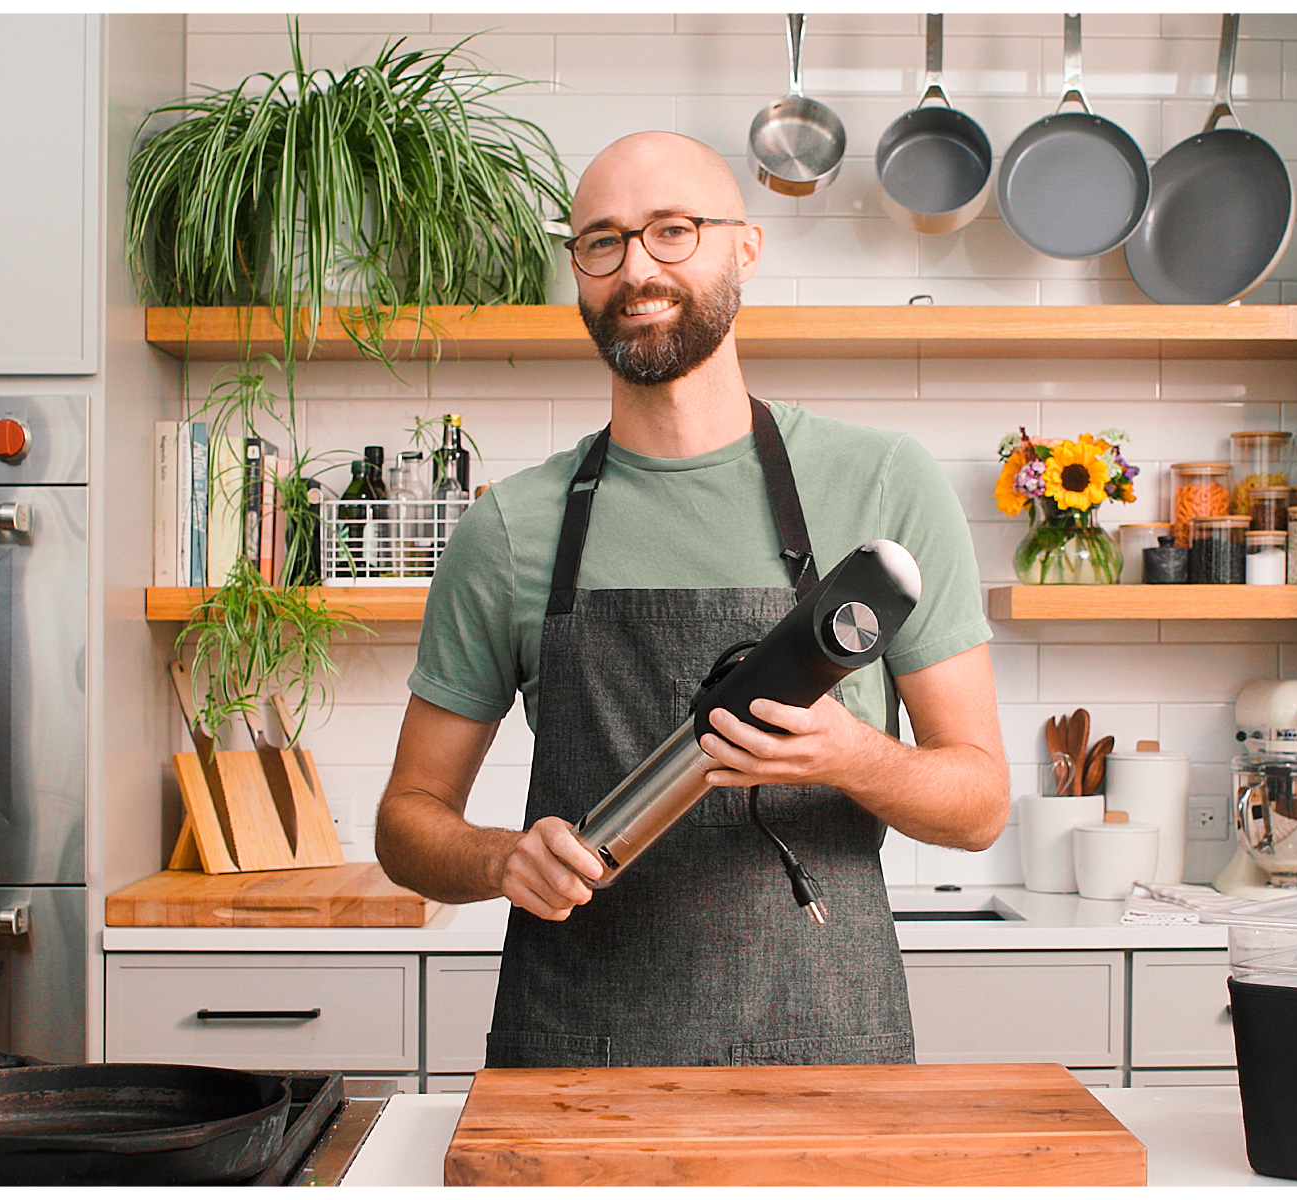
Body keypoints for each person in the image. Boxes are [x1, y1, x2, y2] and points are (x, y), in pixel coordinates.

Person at [376, 131, 1010, 1069]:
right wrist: (501, 857)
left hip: (828, 1048)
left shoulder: (883, 484)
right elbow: (408, 820)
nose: (637, 269)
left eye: (673, 230)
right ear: (579, 270)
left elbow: (980, 804)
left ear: (744, 248)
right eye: (603, 241)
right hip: (577, 1056)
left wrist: (851, 755)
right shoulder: (509, 528)